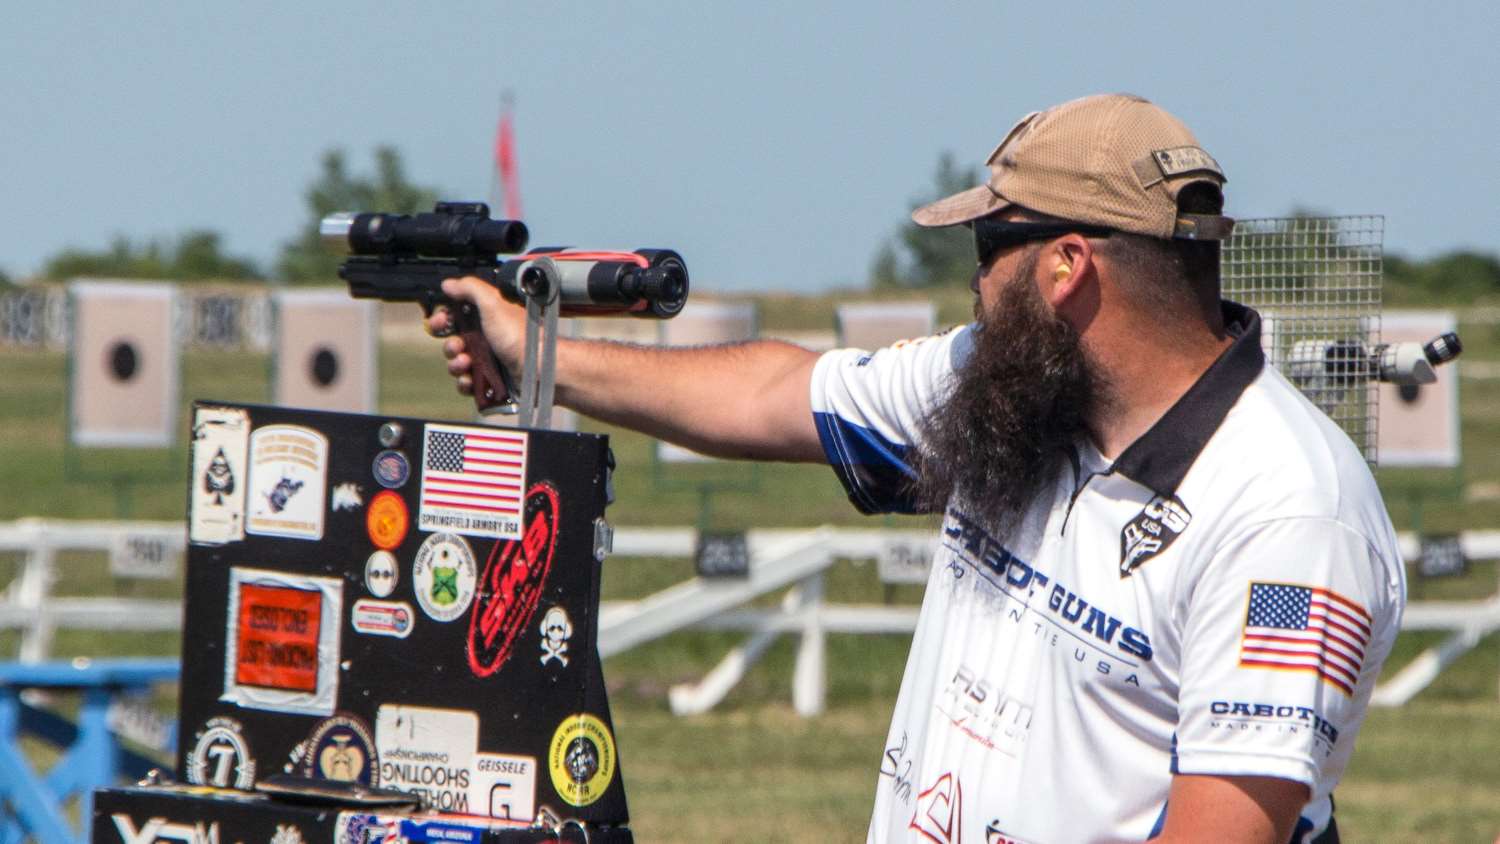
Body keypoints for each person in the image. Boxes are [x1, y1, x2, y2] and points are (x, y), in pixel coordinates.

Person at [428, 93, 1403, 844]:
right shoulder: (1015, 389)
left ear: (1067, 267)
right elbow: (777, 395)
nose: (975, 283)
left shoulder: (1287, 511)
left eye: (990, 246)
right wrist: (535, 354)